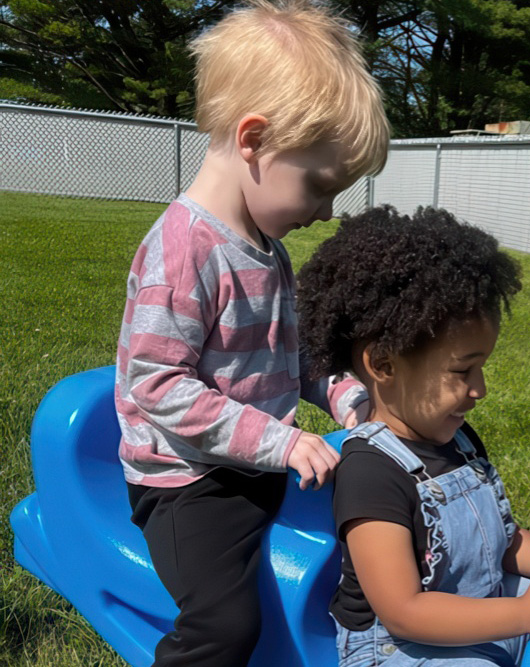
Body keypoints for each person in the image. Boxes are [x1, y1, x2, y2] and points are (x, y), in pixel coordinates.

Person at [114, 2, 390, 664]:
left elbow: (291, 359)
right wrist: (282, 440)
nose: (326, 211)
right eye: (320, 186)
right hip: (188, 481)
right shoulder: (182, 252)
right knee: (225, 622)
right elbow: (156, 385)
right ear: (253, 140)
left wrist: (349, 398)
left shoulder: (268, 248)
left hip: (260, 456)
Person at [295, 206, 530, 666]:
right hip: (405, 648)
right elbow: (405, 612)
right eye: (462, 370)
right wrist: (528, 612)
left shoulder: (460, 442)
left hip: (486, 612)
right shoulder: (370, 472)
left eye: (482, 367)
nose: (480, 389)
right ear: (383, 364)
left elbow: (501, 543)